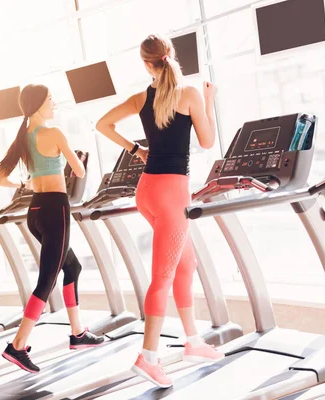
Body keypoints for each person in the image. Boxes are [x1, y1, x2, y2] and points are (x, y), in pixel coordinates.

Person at [96, 34, 224, 388]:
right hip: (172, 192)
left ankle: (193, 341)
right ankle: (147, 357)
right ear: (171, 57)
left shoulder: (141, 98)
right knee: (163, 276)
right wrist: (209, 102)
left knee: (186, 263)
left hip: (147, 191)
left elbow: (102, 124)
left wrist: (136, 149)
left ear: (146, 63)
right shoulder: (190, 94)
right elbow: (207, 141)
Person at [0, 84, 104, 373]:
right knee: (47, 281)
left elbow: (1, 178)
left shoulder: (23, 137)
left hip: (36, 211)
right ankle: (17, 346)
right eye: (51, 100)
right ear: (40, 104)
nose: (54, 105)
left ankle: (78, 334)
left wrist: (27, 183)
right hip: (56, 210)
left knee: (73, 267)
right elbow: (78, 172)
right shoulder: (53, 134)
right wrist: (76, 160)